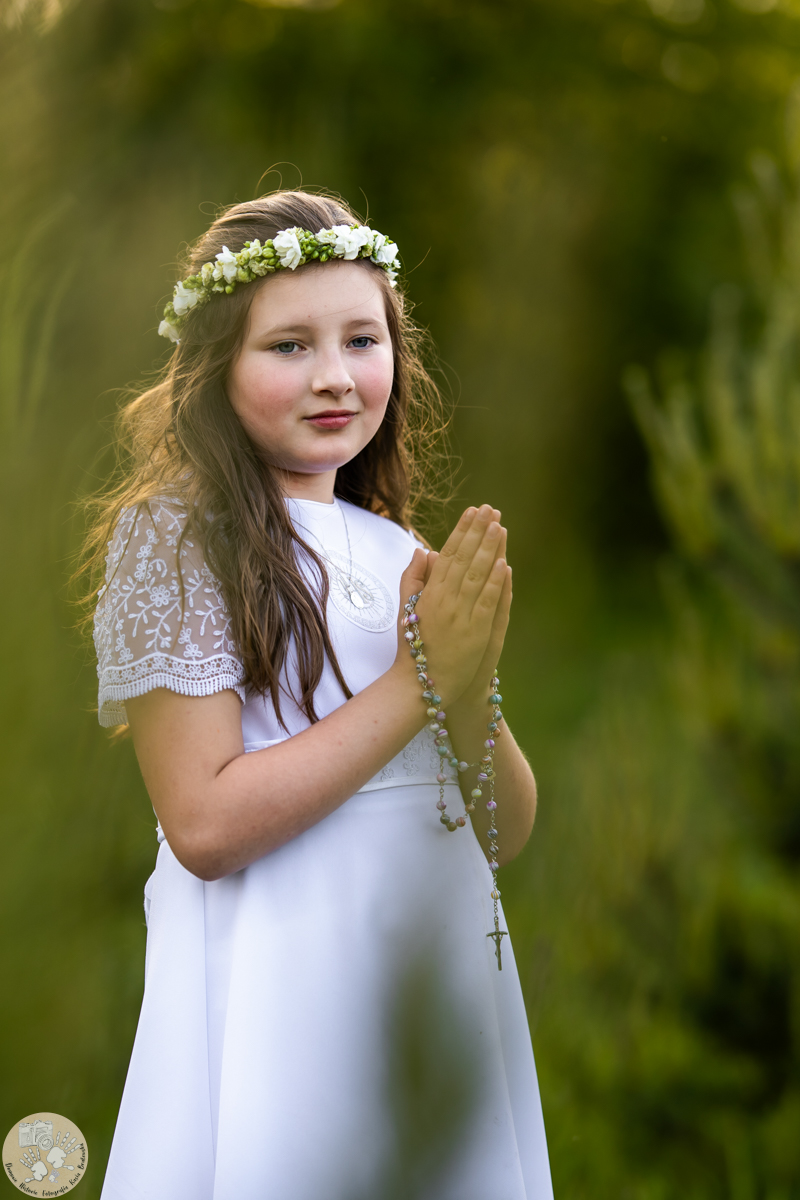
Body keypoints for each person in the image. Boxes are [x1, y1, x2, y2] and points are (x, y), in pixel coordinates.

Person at [87, 189, 553, 1199]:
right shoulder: (176, 539)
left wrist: (467, 685)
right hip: (284, 974)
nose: (336, 375)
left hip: (426, 976)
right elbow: (203, 824)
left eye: (361, 339)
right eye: (289, 346)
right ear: (216, 367)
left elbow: (504, 829)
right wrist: (419, 679)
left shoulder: (400, 550)